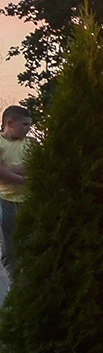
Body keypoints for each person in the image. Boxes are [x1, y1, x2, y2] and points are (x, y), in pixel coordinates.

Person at [0, 105, 32, 275]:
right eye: (25, 125)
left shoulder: (30, 144)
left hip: (28, 201)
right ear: (10, 123)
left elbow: (32, 166)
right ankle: (14, 281)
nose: (28, 129)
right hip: (7, 201)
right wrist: (24, 180)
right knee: (10, 248)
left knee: (29, 243)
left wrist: (8, 169)